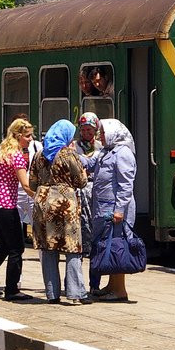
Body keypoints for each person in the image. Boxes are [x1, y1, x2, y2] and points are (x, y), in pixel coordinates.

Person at [30, 119, 89, 304]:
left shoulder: (39, 155)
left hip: (43, 203)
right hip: (65, 204)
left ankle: (52, 294)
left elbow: (32, 182)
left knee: (48, 248)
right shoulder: (68, 154)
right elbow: (82, 181)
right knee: (72, 248)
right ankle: (75, 294)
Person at [0, 118, 36, 301]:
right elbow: (25, 185)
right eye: (28, 136)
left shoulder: (3, 150)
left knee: (3, 247)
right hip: (6, 206)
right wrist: (39, 196)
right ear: (18, 136)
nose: (31, 139)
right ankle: (12, 290)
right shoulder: (17, 155)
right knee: (16, 248)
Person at [80, 118, 136, 302]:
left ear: (113, 134)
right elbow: (88, 164)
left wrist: (119, 209)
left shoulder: (123, 153)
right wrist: (67, 152)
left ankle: (120, 290)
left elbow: (126, 184)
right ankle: (111, 286)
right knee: (109, 247)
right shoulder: (105, 151)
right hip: (104, 209)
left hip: (115, 211)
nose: (99, 136)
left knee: (117, 247)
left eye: (102, 133)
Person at [74, 112, 103, 292]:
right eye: (84, 129)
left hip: (96, 195)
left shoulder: (101, 147)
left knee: (96, 240)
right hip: (79, 196)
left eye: (90, 130)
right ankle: (77, 285)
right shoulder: (73, 147)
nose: (87, 133)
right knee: (79, 241)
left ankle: (95, 284)